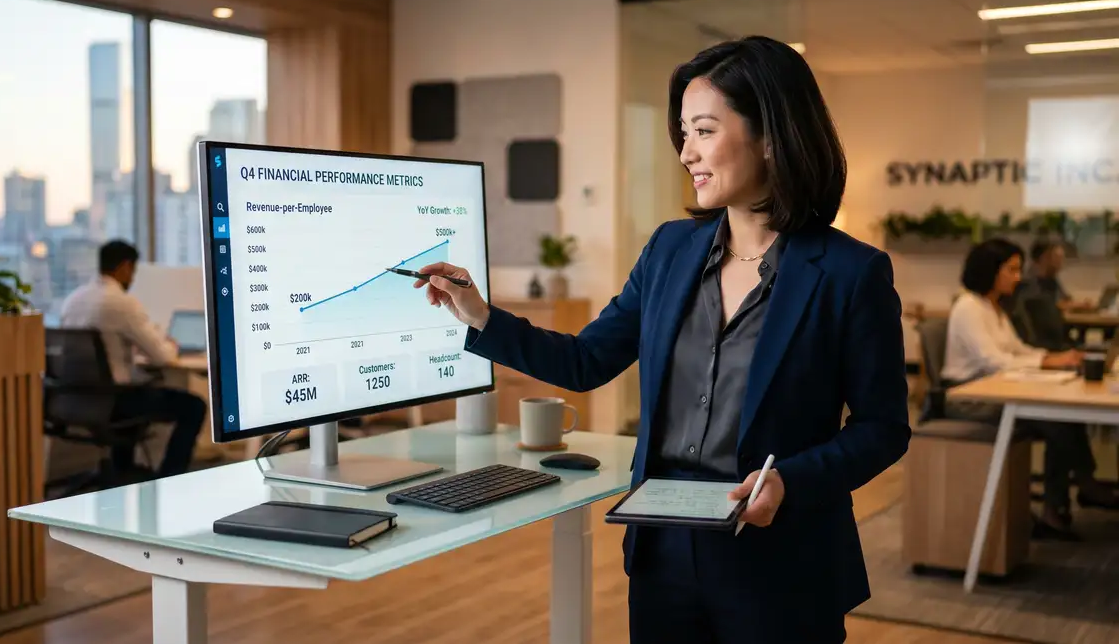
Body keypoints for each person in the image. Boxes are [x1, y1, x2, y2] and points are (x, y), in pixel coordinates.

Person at [411, 37, 910, 643]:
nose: (686, 152)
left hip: (781, 558)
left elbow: (882, 428)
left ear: (771, 137)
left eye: (704, 131)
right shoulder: (670, 250)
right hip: (663, 553)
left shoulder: (851, 272)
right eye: (683, 132)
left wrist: (790, 482)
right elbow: (586, 360)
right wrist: (480, 316)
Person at [943, 238, 1117, 539]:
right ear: (991, 270)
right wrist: (1048, 361)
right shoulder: (969, 307)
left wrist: (1056, 358)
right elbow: (994, 362)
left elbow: (1018, 350)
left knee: (1063, 416)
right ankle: (1073, 495)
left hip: (996, 390)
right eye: (1011, 270)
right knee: (1056, 421)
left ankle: (1068, 498)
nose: (1018, 277)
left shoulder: (993, 307)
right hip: (968, 397)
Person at [60, 240, 206, 477]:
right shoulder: (122, 303)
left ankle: (123, 469)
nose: (133, 278)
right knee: (194, 407)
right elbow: (162, 357)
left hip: (75, 400)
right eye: (133, 271)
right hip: (113, 403)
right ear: (125, 267)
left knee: (137, 389)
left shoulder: (73, 300)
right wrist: (170, 346)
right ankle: (169, 477)